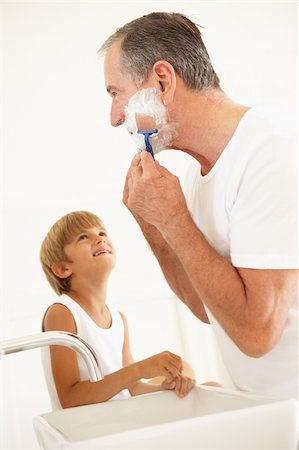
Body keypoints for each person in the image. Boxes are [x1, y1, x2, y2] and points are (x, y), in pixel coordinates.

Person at [99, 12, 298, 399]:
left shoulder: (270, 150)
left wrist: (174, 220)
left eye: (115, 93)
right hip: (268, 412)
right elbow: (208, 309)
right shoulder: (197, 177)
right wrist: (152, 223)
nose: (115, 117)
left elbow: (257, 334)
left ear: (162, 80)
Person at [40, 210, 196, 410]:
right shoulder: (62, 313)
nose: (99, 239)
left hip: (119, 417)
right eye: (83, 237)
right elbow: (70, 398)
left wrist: (165, 387)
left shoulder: (118, 318)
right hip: (92, 429)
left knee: (201, 381)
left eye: (102, 233)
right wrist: (139, 369)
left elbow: (132, 389)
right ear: (62, 269)